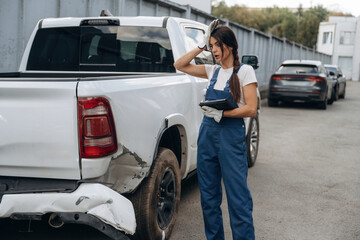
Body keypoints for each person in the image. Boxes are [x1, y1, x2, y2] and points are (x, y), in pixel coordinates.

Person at [173, 19, 257, 240]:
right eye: (211, 46)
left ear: (229, 45)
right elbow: (179, 65)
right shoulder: (212, 71)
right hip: (208, 137)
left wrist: (224, 113)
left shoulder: (245, 71)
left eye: (217, 45)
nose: (214, 50)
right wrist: (200, 45)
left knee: (238, 198)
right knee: (208, 198)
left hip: (230, 137)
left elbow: (251, 108)